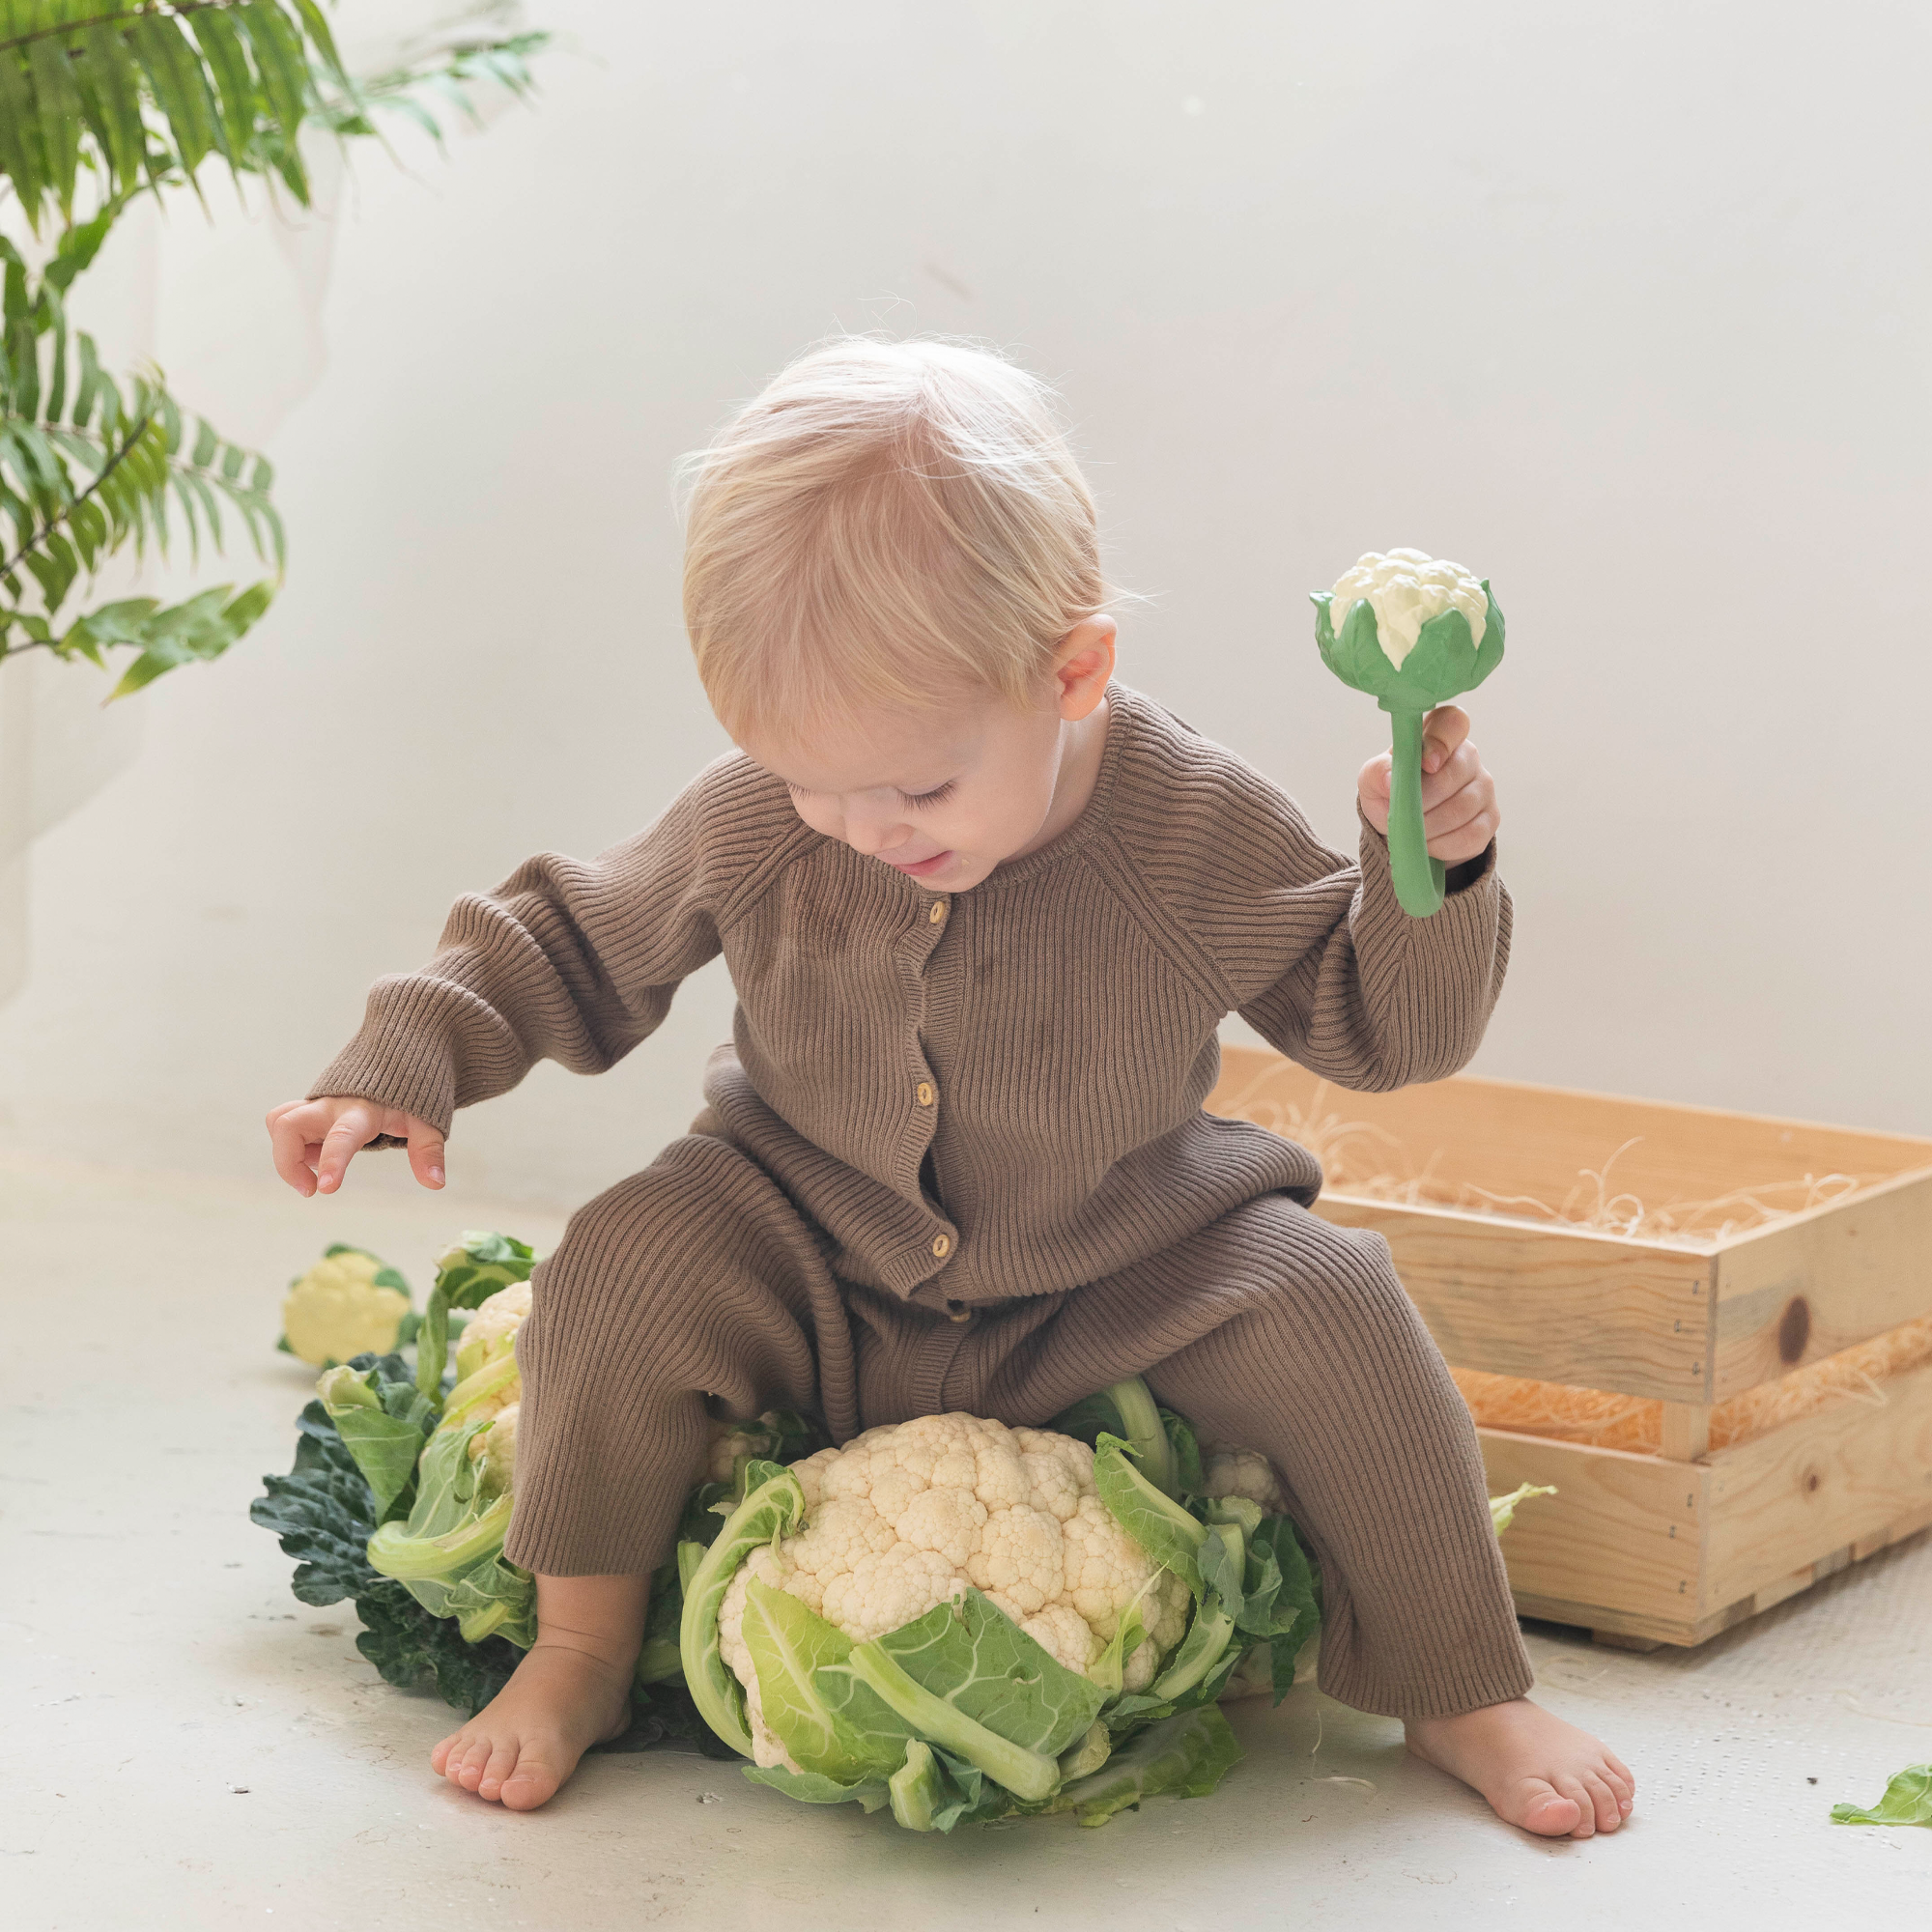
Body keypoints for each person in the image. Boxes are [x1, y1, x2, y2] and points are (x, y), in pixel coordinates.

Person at [268, 335, 1634, 1835]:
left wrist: (1423, 871)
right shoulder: (763, 824)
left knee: (1339, 1306)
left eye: (919, 786)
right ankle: (582, 1646)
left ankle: (1460, 1685)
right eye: (809, 781)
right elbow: (572, 935)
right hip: (804, 1235)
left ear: (1075, 669)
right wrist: (409, 1058)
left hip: (1120, 1252)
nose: (864, 829)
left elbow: (1385, 1031)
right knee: (621, 1263)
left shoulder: (1187, 824)